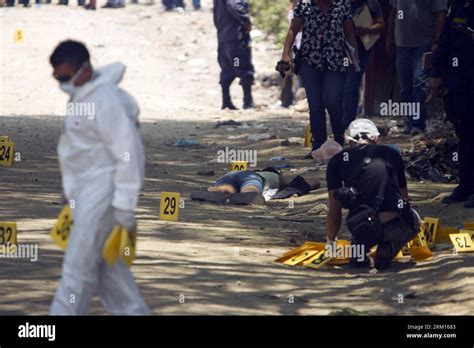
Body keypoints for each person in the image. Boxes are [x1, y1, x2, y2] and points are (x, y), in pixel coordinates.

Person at [49, 40, 149, 315]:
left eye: (66, 76)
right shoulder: (83, 95)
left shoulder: (106, 101)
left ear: (85, 68)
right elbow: (79, 151)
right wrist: (68, 191)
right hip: (84, 195)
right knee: (110, 276)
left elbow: (128, 153)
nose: (62, 82)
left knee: (76, 272)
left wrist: (124, 205)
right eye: (58, 77)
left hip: (103, 196)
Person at [326, 119, 419, 270]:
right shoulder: (391, 154)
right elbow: (405, 199)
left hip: (362, 226)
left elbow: (334, 211)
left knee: (360, 230)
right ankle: (388, 246)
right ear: (376, 139)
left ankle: (359, 250)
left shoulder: (336, 161)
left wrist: (331, 242)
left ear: (349, 142)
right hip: (392, 225)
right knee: (414, 220)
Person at [279, 0, 360, 159]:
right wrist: (285, 54)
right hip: (310, 61)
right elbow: (293, 29)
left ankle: (338, 140)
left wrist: (354, 55)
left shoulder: (342, 4)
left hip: (335, 61)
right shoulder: (305, 5)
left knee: (332, 100)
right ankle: (318, 146)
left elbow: (349, 32)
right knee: (315, 105)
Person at [429, 0, 474, 207]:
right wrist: (436, 74)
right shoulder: (459, 7)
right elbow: (445, 41)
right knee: (465, 134)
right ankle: (466, 186)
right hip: (460, 82)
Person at [386, 0, 447, 134]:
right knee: (405, 87)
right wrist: (389, 38)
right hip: (402, 44)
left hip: (424, 43)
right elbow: (393, 12)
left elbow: (440, 15)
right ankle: (410, 122)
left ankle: (418, 124)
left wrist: (437, 41)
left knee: (419, 83)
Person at [343, 0, 385, 128]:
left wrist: (366, 30)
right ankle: (339, 120)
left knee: (351, 86)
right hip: (339, 48)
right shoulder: (340, 3)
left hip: (361, 49)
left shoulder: (370, 3)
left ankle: (347, 123)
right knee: (337, 86)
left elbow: (381, 24)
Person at [190, 168, 320, 205]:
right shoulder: (274, 176)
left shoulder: (258, 172)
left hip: (229, 175)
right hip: (251, 178)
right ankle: (245, 196)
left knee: (225, 189)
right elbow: (314, 182)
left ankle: (210, 191)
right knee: (250, 189)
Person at [213, 0, 255, 110]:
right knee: (242, 67)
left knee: (228, 70)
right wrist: (246, 20)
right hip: (235, 41)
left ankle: (226, 101)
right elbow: (234, 5)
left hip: (224, 40)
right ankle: (248, 101)